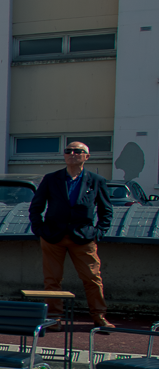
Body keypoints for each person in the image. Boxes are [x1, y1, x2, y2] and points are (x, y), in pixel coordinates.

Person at [28, 139, 114, 329]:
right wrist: (39, 229)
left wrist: (99, 232)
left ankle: (99, 316)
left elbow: (106, 210)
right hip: (53, 236)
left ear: (86, 156)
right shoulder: (51, 179)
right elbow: (36, 206)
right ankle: (54, 318)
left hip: (83, 237)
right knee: (52, 280)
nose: (72, 154)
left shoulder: (96, 181)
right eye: (68, 151)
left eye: (77, 151)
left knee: (92, 278)